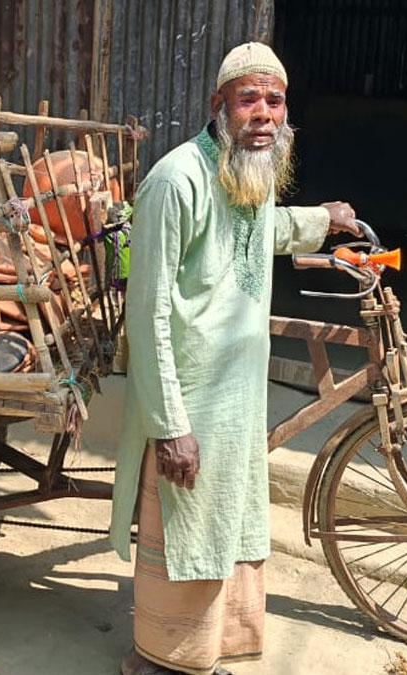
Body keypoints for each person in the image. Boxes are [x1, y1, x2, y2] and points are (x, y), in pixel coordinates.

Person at [110, 42, 360, 675]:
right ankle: (158, 659)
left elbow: (261, 228)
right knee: (186, 527)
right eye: (249, 99)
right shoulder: (175, 181)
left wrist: (321, 220)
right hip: (189, 400)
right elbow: (147, 314)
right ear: (218, 106)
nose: (264, 115)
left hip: (238, 396)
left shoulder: (248, 175)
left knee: (228, 524)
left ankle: (210, 649)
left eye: (274, 101)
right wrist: (170, 425)